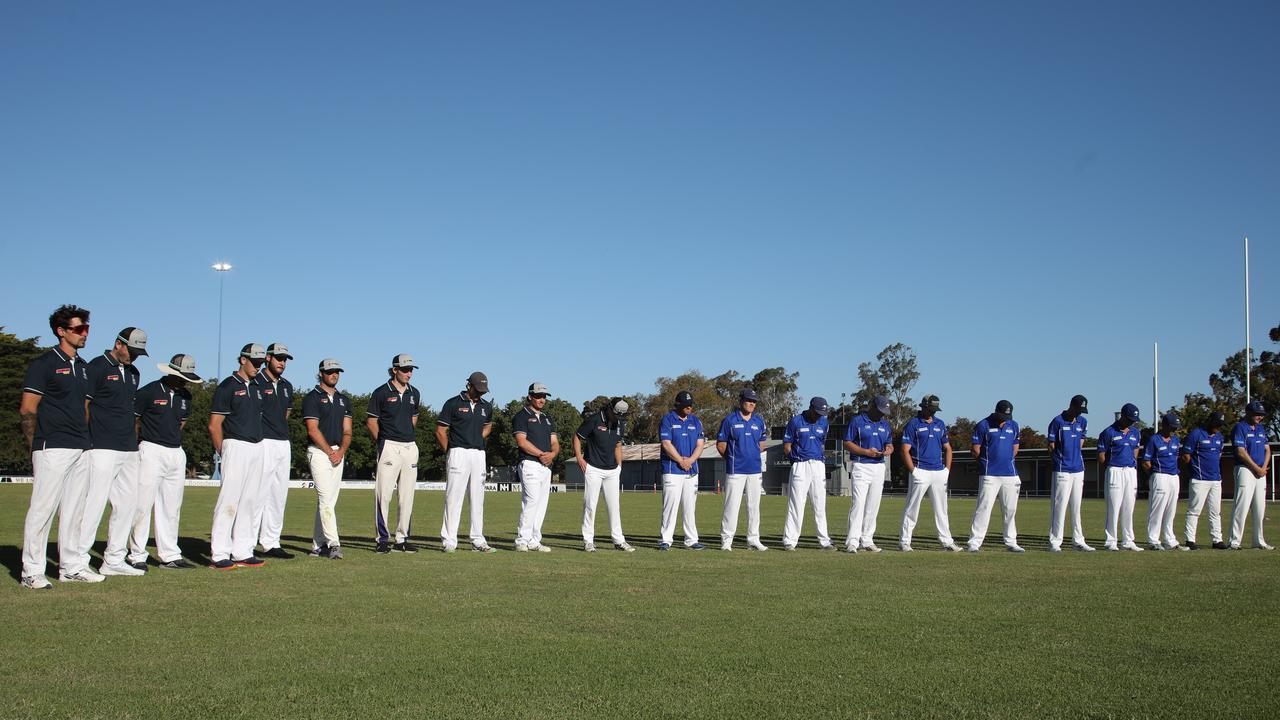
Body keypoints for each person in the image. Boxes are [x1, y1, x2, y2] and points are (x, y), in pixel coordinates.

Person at [19, 305, 95, 588]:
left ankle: (72, 567)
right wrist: (35, 448)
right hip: (52, 446)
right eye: (78, 329)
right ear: (61, 332)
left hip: (81, 446)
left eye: (86, 328)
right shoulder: (44, 364)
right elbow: (28, 408)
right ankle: (31, 572)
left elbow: (84, 408)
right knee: (42, 510)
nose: (84, 333)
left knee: (75, 510)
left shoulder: (83, 368)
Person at [78, 327, 149, 577]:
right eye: (132, 350)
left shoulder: (134, 373)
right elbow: (84, 405)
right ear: (118, 343)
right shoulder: (96, 367)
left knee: (127, 505)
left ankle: (114, 560)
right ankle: (78, 560)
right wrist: (87, 440)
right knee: (93, 504)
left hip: (128, 448)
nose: (135, 356)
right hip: (101, 446)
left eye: (139, 353)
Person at [130, 354, 201, 569]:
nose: (184, 381)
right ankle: (136, 555)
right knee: (142, 505)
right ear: (171, 373)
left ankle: (170, 555)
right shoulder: (148, 392)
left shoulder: (186, 396)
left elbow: (180, 424)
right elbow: (134, 420)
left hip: (175, 452)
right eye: (181, 377)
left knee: (171, 506)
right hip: (150, 449)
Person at [208, 343, 268, 569]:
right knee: (229, 501)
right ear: (242, 360)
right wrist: (224, 451)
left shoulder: (257, 387)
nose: (257, 367)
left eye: (261, 363)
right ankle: (219, 553)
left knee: (249, 501)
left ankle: (242, 550)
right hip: (234, 445)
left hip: (256, 446)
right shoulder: (227, 387)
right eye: (254, 362)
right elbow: (214, 426)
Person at [367, 354, 422, 554]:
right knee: (384, 495)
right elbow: (372, 422)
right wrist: (382, 442)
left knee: (406, 496)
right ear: (394, 370)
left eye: (411, 370)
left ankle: (402, 539)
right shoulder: (381, 392)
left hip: (409, 446)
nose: (409, 373)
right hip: (388, 445)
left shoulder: (414, 393)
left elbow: (414, 418)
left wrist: (406, 434)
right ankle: (382, 539)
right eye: (405, 369)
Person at [436, 371, 496, 553]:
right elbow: (440, 430)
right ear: (468, 385)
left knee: (478, 498)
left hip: (478, 453)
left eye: (483, 391)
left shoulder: (486, 406)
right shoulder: (453, 403)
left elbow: (488, 425)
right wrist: (451, 450)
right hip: (458, 452)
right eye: (478, 390)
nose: (481, 394)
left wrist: (478, 437)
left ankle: (478, 540)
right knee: (454, 497)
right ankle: (449, 540)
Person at [301, 359, 352, 559]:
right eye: (330, 371)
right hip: (319, 452)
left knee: (329, 501)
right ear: (321, 373)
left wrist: (340, 452)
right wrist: (330, 452)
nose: (334, 374)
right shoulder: (312, 398)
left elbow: (347, 430)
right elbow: (312, 429)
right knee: (325, 499)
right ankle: (334, 543)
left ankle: (317, 544)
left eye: (337, 371)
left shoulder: (343, 399)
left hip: (338, 452)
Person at [898, 394, 960, 552]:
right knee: (912, 508)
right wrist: (914, 471)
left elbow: (948, 449)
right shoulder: (913, 424)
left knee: (942, 509)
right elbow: (905, 450)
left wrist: (947, 470)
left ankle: (947, 541)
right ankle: (905, 542)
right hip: (920, 471)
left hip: (939, 472)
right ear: (924, 406)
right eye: (931, 409)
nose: (933, 412)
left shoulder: (940, 424)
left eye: (935, 409)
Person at [575, 397, 634, 552]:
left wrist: (619, 466)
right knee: (590, 505)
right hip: (593, 468)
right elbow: (577, 436)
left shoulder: (620, 422)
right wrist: (580, 458)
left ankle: (618, 540)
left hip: (612, 470)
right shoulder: (594, 419)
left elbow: (618, 444)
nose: (618, 419)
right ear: (609, 408)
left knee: (614, 506)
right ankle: (588, 540)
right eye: (616, 415)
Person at [252, 343, 295, 559]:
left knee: (278, 495)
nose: (282, 362)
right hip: (263, 441)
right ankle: (247, 542)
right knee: (258, 494)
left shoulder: (287, 386)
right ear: (268, 358)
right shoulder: (256, 382)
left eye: (285, 359)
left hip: (282, 442)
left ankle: (271, 542)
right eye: (278, 358)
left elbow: (285, 414)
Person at [966, 400, 1024, 553]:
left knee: (1010, 509)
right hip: (989, 474)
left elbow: (1015, 449)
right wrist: (987, 463)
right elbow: (975, 449)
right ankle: (975, 542)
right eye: (1002, 416)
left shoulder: (1014, 426)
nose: (1005, 419)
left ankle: (1011, 542)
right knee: (984, 508)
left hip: (1010, 474)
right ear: (996, 412)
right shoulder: (983, 425)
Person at [780, 397, 836, 551]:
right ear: (811, 408)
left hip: (818, 465)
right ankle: (790, 541)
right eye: (817, 412)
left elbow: (822, 442)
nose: (819, 416)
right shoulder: (796, 421)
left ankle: (825, 541)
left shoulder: (824, 422)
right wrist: (794, 460)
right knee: (796, 503)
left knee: (819, 504)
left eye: (822, 413)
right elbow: (787, 445)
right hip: (800, 465)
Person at [717, 388, 768, 551]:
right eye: (749, 400)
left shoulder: (759, 422)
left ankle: (753, 538)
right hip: (735, 470)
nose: (752, 403)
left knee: (754, 506)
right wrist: (732, 458)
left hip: (754, 470)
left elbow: (762, 444)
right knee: (731, 505)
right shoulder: (729, 420)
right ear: (741, 401)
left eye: (754, 401)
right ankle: (727, 540)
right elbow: (721, 444)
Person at [843, 395, 893, 553]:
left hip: (879, 466)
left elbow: (890, 443)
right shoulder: (857, 421)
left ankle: (867, 539)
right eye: (880, 410)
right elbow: (847, 442)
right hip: (861, 465)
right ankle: (852, 541)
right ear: (872, 407)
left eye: (884, 411)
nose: (882, 414)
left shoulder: (885, 424)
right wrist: (866, 452)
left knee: (873, 504)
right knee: (858, 503)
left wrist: (888, 450)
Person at [658, 390, 706, 551]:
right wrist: (680, 460)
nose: (689, 408)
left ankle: (691, 540)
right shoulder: (668, 420)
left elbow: (700, 444)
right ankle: (666, 540)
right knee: (670, 506)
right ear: (677, 405)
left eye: (690, 405)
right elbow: (666, 443)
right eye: (685, 405)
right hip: (672, 470)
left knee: (690, 506)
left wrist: (691, 461)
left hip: (691, 470)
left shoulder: (696, 421)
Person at [514, 383, 559, 552]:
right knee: (531, 501)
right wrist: (542, 454)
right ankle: (522, 540)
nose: (542, 399)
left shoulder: (548, 419)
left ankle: (534, 540)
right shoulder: (521, 416)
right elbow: (522, 442)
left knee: (541, 504)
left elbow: (555, 443)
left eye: (544, 396)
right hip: (529, 463)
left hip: (546, 466)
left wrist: (552, 455)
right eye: (539, 396)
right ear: (530, 396)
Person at [1046, 395, 1095, 552]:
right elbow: (1051, 445)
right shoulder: (1057, 421)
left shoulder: (1082, 422)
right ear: (1071, 406)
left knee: (1076, 506)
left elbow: (1081, 442)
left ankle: (1078, 540)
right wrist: (1059, 459)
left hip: (1078, 469)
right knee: (1059, 505)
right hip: (1062, 469)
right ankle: (1055, 541)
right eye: (1078, 410)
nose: (1079, 414)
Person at [1227, 401, 1273, 550]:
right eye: (1256, 414)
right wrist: (1255, 468)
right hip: (1245, 469)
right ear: (1248, 413)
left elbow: (1267, 450)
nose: (1259, 417)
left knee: (1260, 506)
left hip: (1260, 471)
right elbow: (1241, 451)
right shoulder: (1240, 427)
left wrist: (1263, 468)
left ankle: (1258, 541)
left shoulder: (1260, 428)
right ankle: (1234, 541)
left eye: (1261, 415)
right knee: (1242, 505)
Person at [1098, 403, 1144, 551]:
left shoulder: (1135, 433)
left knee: (1129, 506)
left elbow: (1135, 450)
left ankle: (1128, 540)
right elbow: (1101, 456)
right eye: (1129, 419)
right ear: (1122, 416)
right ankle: (1111, 541)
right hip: (1115, 470)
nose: (1132, 422)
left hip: (1130, 471)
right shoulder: (1108, 432)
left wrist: (1131, 464)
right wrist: (1111, 467)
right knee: (1114, 507)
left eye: (1134, 420)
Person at [1180, 412, 1227, 550]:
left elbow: (1219, 454)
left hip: (1216, 479)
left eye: (1220, 425)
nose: (1218, 427)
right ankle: (1190, 540)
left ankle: (1217, 540)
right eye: (1216, 424)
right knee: (1194, 510)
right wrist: (1193, 469)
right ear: (1210, 421)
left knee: (1215, 511)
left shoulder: (1219, 437)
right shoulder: (1196, 434)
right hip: (1199, 479)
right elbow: (1186, 455)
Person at [1142, 413, 1183, 551]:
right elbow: (1146, 462)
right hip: (1160, 476)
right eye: (1172, 427)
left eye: (1175, 428)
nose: (1174, 430)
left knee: (1171, 510)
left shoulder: (1176, 440)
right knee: (1157, 509)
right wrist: (1154, 476)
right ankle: (1153, 539)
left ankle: (1169, 539)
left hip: (1174, 476)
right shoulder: (1154, 439)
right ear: (1164, 425)